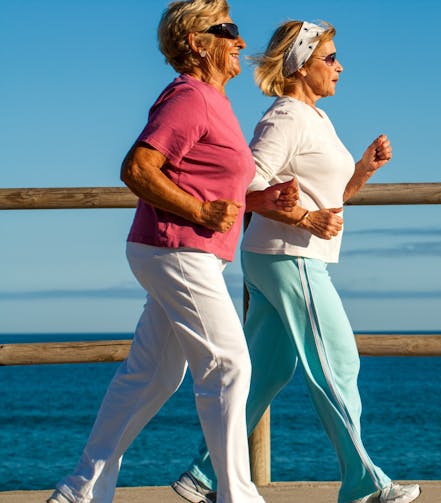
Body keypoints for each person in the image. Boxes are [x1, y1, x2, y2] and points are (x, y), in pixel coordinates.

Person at [47, 2, 299, 502]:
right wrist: (201, 214)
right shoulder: (188, 97)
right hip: (177, 249)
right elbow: (138, 168)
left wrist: (257, 200)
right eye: (228, 30)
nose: (241, 43)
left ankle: (81, 489)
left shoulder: (212, 101)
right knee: (229, 365)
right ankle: (238, 495)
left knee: (153, 374)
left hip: (178, 252)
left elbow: (204, 183)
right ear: (196, 42)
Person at [171, 20, 422, 503]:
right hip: (288, 258)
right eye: (330, 58)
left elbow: (327, 196)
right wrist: (305, 219)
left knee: (268, 372)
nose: (339, 66)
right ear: (301, 65)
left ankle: (203, 474)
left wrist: (363, 170)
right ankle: (362, 483)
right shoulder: (285, 116)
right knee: (338, 363)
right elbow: (243, 185)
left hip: (283, 257)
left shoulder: (316, 118)